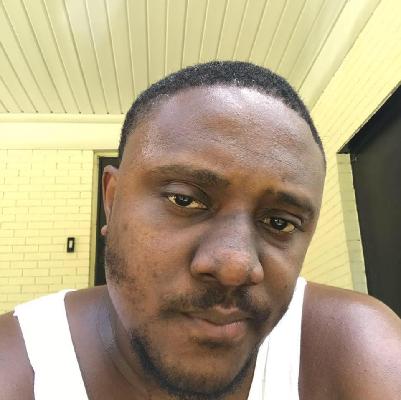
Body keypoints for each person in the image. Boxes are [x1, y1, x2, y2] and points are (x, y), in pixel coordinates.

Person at [0, 61, 400, 400]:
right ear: (112, 199)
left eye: (279, 222)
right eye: (184, 200)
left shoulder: (355, 350)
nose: (235, 266)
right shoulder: (20, 365)